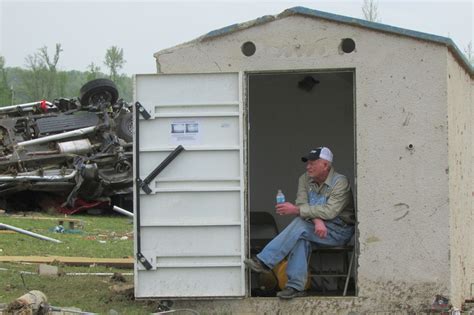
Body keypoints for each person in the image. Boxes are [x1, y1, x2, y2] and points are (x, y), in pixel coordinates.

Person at [244, 146, 355, 299]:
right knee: (300, 236)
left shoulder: (340, 182)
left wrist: (298, 211)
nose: (308, 166)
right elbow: (302, 204)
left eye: (312, 163)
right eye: (307, 163)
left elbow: (330, 211)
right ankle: (296, 287)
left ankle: (264, 262)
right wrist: (317, 221)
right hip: (315, 229)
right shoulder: (304, 179)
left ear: (325, 165)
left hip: (339, 231)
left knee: (300, 225)